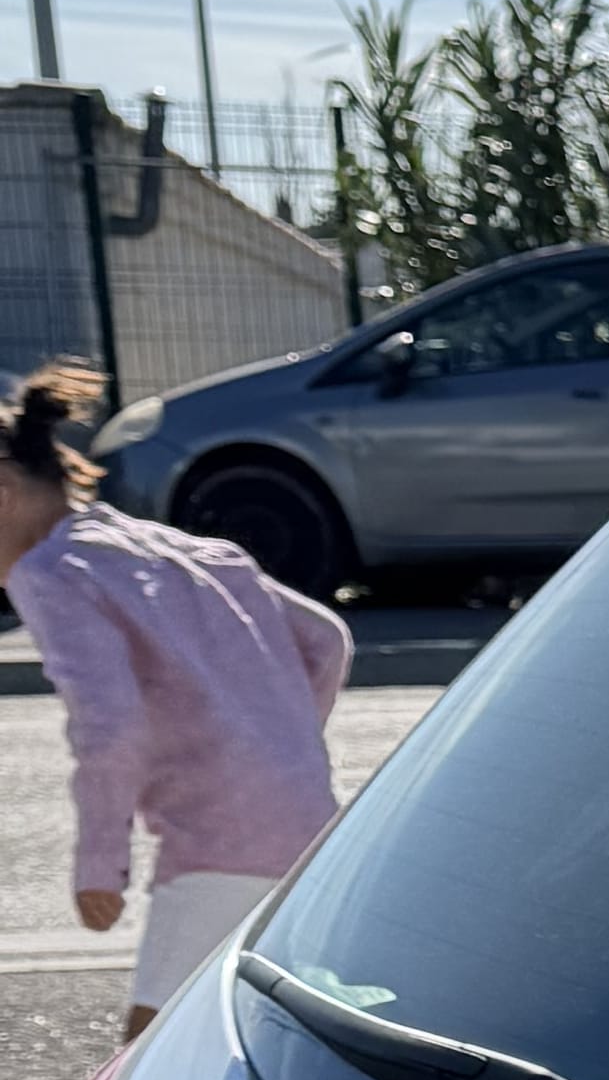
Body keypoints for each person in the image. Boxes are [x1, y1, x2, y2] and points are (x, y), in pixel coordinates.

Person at [0, 361, 349, 1041]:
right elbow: (326, 640)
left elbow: (109, 723)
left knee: (144, 1058)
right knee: (246, 1035)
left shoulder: (50, 573)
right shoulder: (177, 547)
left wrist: (100, 861)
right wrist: (281, 748)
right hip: (304, 816)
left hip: (217, 841)